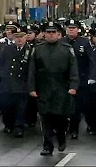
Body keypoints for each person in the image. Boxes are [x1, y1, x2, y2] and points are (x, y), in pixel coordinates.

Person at [28, 22, 79, 156]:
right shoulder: (37, 49)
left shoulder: (66, 48)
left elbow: (73, 70)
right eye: (48, 32)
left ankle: (61, 138)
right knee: (45, 119)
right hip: (44, 88)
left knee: (61, 118)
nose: (50, 35)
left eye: (53, 32)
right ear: (44, 34)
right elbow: (32, 71)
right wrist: (32, 88)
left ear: (58, 34)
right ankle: (47, 145)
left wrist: (73, 86)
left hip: (62, 89)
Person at [60, 19, 96, 139]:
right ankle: (62, 128)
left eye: (74, 28)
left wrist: (91, 76)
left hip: (80, 79)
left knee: (77, 107)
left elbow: (91, 61)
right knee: (63, 106)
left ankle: (74, 129)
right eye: (69, 28)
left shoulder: (85, 42)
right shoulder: (61, 42)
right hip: (63, 80)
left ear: (78, 30)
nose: (71, 30)